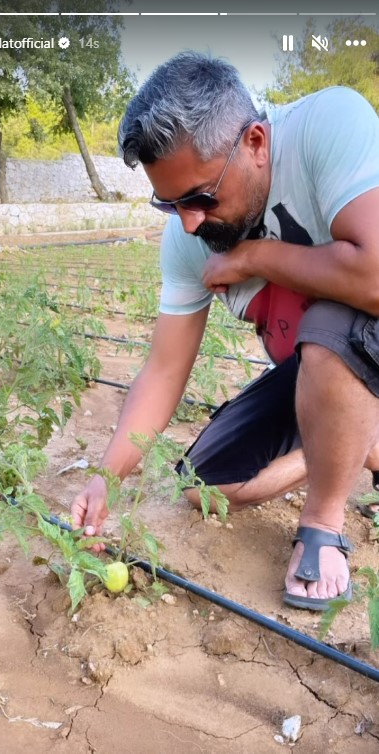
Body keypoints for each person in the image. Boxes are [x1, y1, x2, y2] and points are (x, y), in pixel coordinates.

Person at [71, 51, 379, 610]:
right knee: (202, 484)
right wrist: (105, 477)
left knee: (332, 316)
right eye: (170, 204)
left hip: (357, 340)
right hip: (319, 375)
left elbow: (375, 275)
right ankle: (354, 439)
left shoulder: (328, 125)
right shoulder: (188, 237)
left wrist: (256, 256)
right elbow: (164, 371)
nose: (189, 221)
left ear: (256, 144)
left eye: (200, 197)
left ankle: (323, 523)